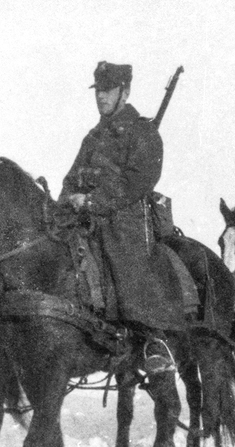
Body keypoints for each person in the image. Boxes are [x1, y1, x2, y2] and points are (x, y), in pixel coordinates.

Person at [58, 61, 185, 373]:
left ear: (124, 93)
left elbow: (138, 181)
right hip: (85, 219)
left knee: (125, 259)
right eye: (98, 90)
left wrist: (93, 200)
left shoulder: (142, 132)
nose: (101, 96)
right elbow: (71, 178)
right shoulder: (92, 137)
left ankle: (153, 340)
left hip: (123, 221)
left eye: (108, 90)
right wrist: (67, 201)